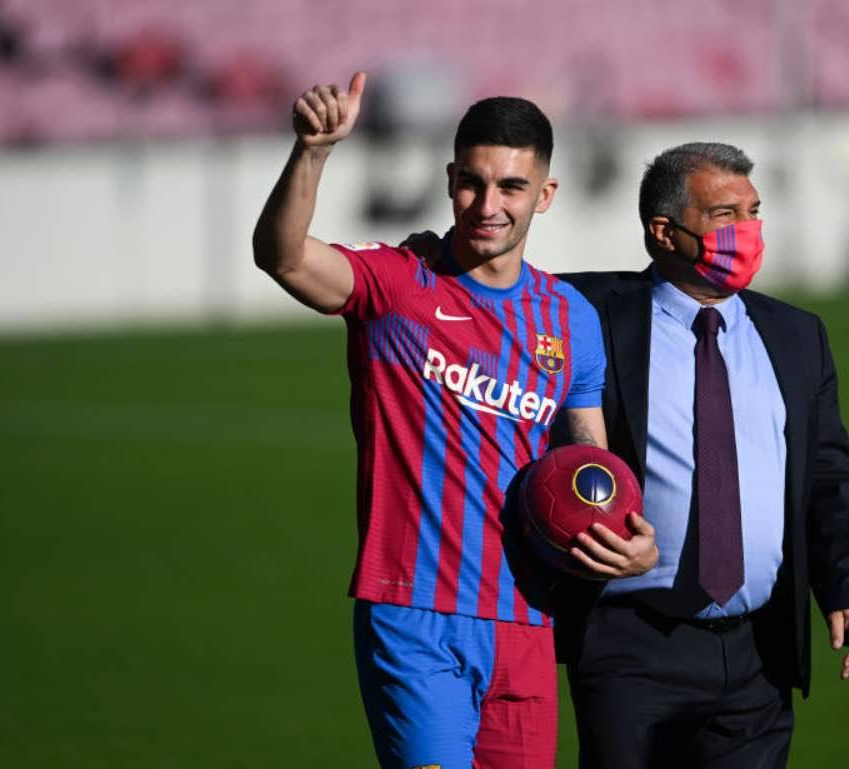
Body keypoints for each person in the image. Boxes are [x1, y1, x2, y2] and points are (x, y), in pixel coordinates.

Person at [250, 73, 657, 769]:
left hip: (526, 621)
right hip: (413, 615)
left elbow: (592, 471)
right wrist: (312, 153)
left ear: (545, 196)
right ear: (448, 179)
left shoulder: (571, 322)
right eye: (472, 182)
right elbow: (282, 256)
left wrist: (631, 544)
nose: (488, 205)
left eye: (511, 188)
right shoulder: (400, 286)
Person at [553, 142, 849, 769]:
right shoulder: (589, 313)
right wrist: (430, 256)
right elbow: (490, 287)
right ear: (664, 231)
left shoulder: (797, 334)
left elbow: (831, 474)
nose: (749, 232)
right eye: (726, 216)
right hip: (631, 646)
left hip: (758, 652)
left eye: (754, 212)